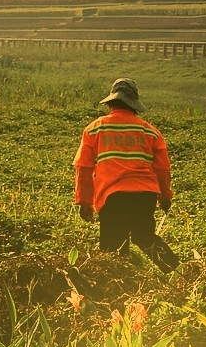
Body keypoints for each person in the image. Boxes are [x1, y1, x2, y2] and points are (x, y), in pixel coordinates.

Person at [73, 77, 180, 273]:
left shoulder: (95, 128)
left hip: (112, 196)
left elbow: (84, 168)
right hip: (145, 195)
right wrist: (165, 197)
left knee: (112, 246)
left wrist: (84, 202)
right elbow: (163, 169)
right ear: (134, 105)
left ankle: (117, 288)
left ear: (111, 103)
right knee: (144, 236)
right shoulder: (150, 131)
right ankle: (178, 273)